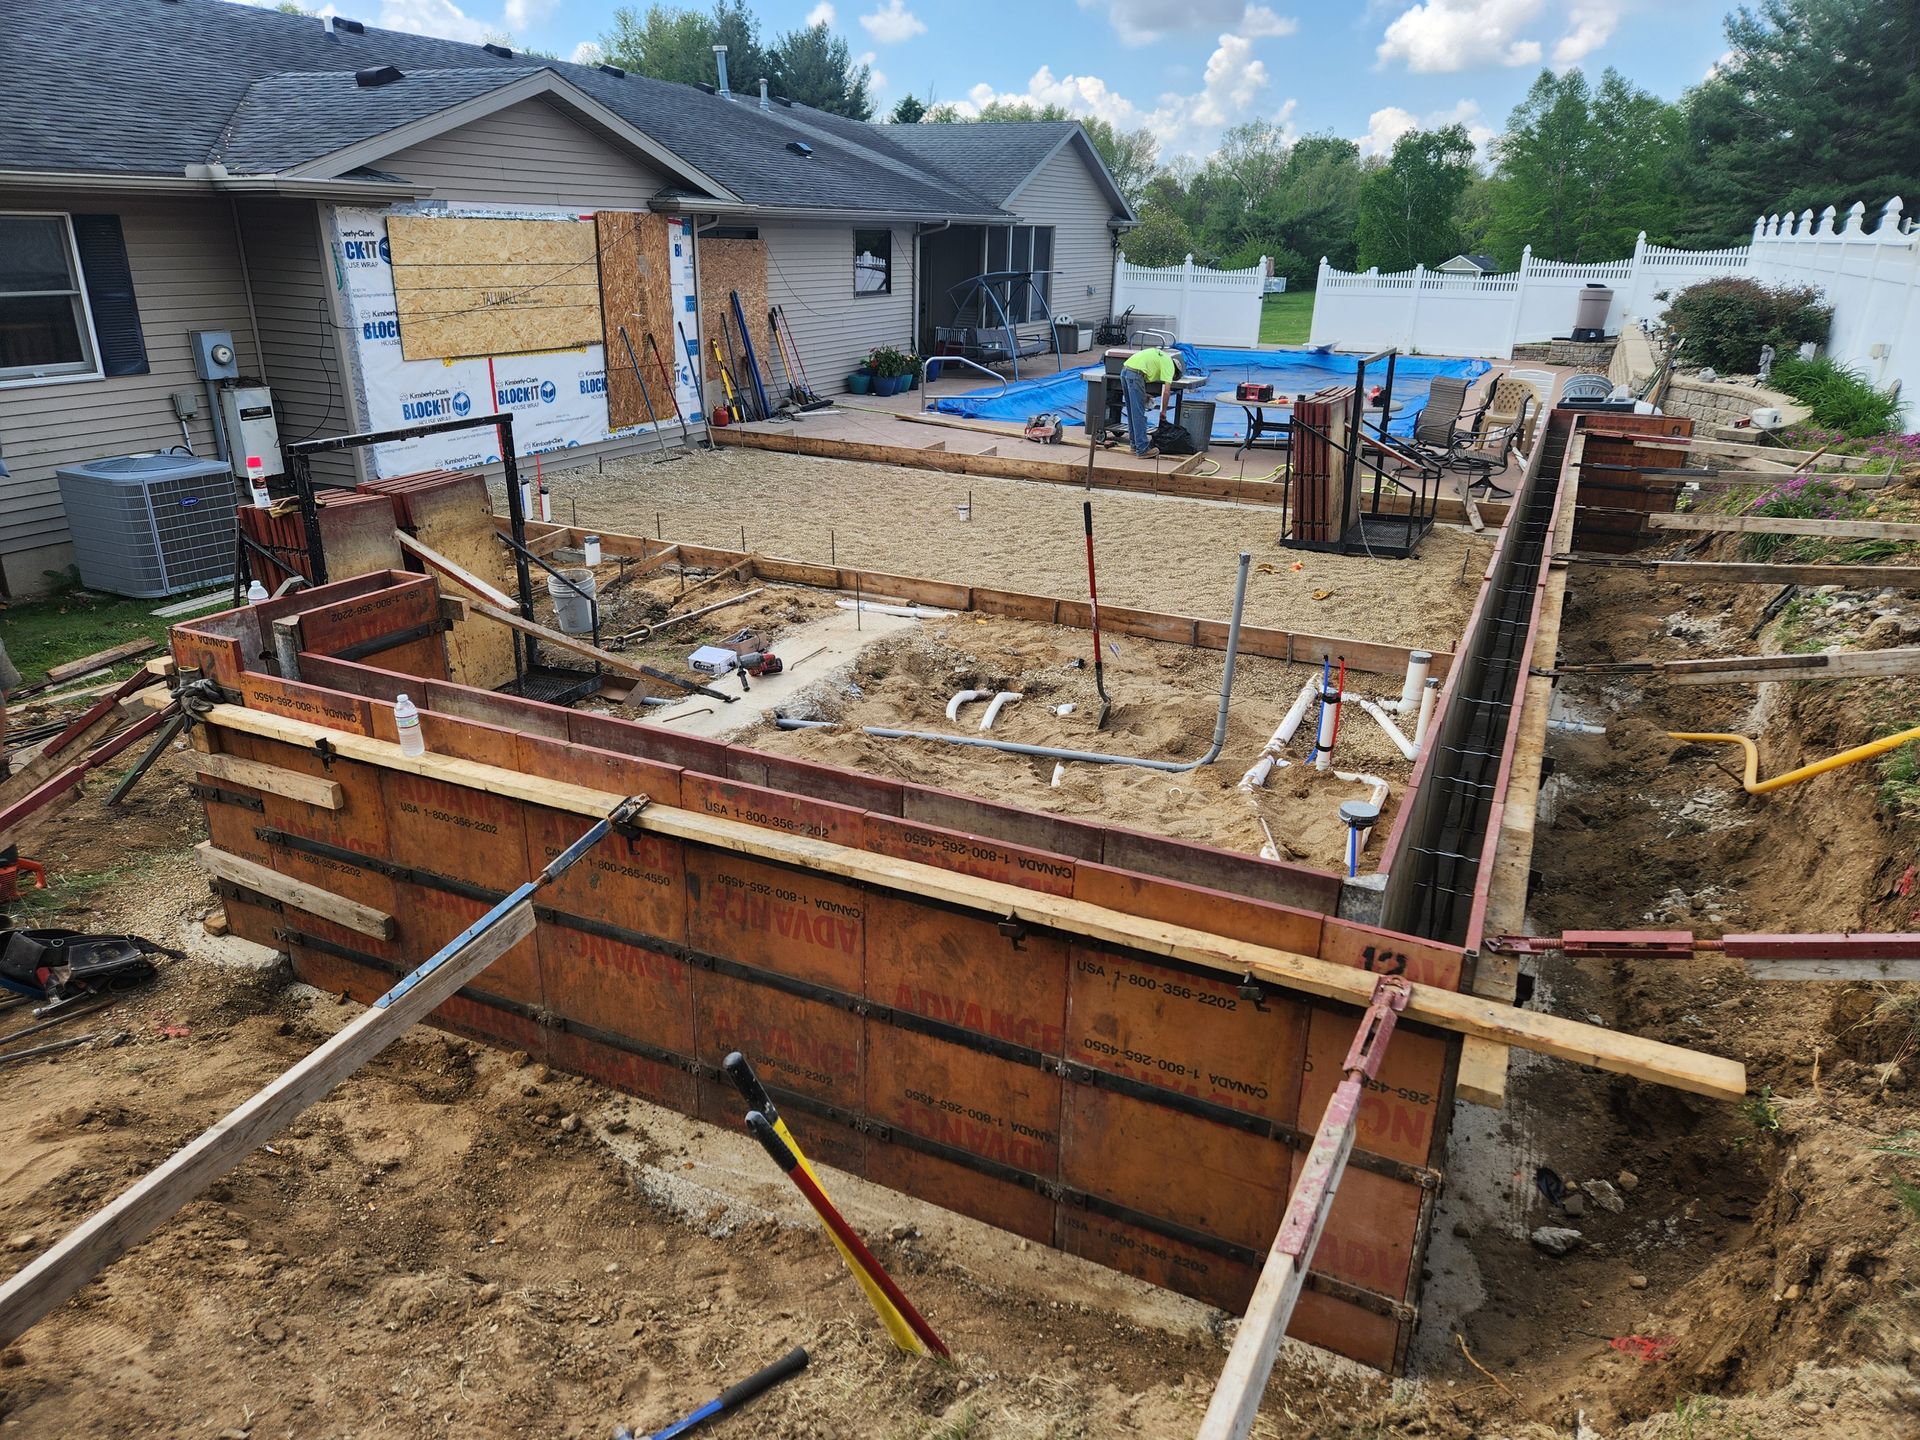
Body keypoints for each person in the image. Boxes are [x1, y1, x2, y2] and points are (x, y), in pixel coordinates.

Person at [1120, 346, 1182, 458]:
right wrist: (1163, 411)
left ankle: (1135, 445)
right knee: (1138, 414)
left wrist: (1144, 394)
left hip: (1125, 371)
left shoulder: (1162, 357)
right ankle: (1142, 449)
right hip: (1135, 374)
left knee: (1132, 412)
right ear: (1175, 372)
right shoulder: (1169, 366)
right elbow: (1166, 392)